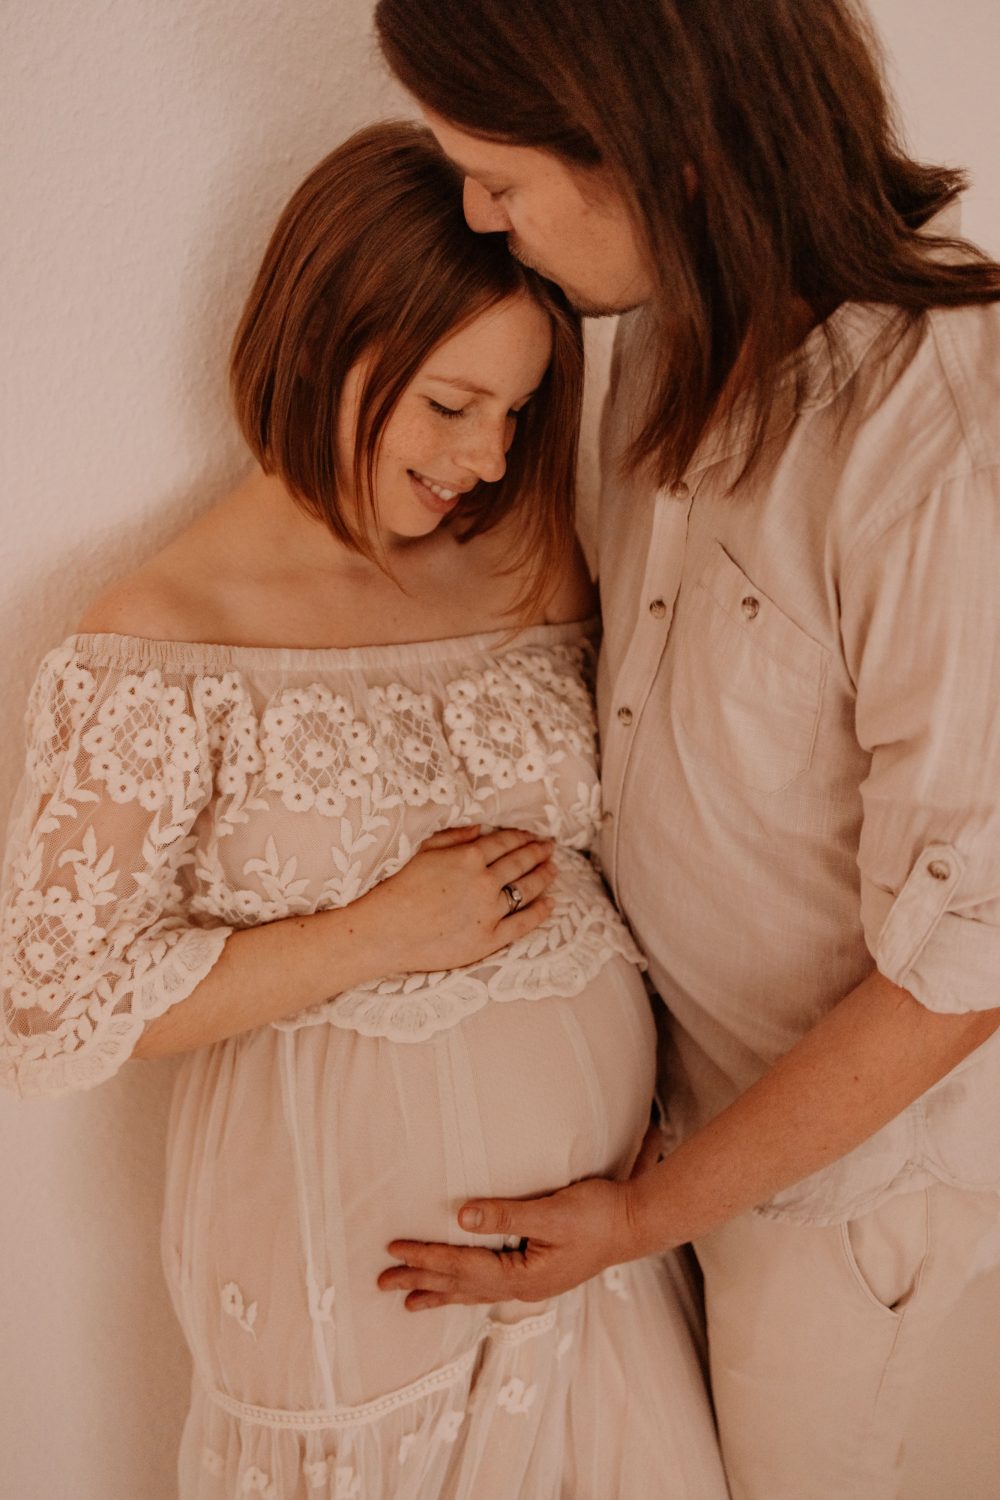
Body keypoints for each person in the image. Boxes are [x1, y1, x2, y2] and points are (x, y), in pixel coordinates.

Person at [0, 121, 730, 1499]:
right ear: (327, 340)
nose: (488, 459)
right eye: (451, 405)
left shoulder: (524, 553)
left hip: (600, 1271)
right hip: (344, 1290)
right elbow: (49, 1013)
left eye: (517, 414)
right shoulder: (160, 637)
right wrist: (378, 933)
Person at [373, 3, 1000, 1495]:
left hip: (845, 1193)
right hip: (668, 1121)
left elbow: (973, 946)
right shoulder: (659, 331)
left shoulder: (941, 444)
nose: (479, 216)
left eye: (503, 181)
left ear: (663, 150)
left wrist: (649, 1216)